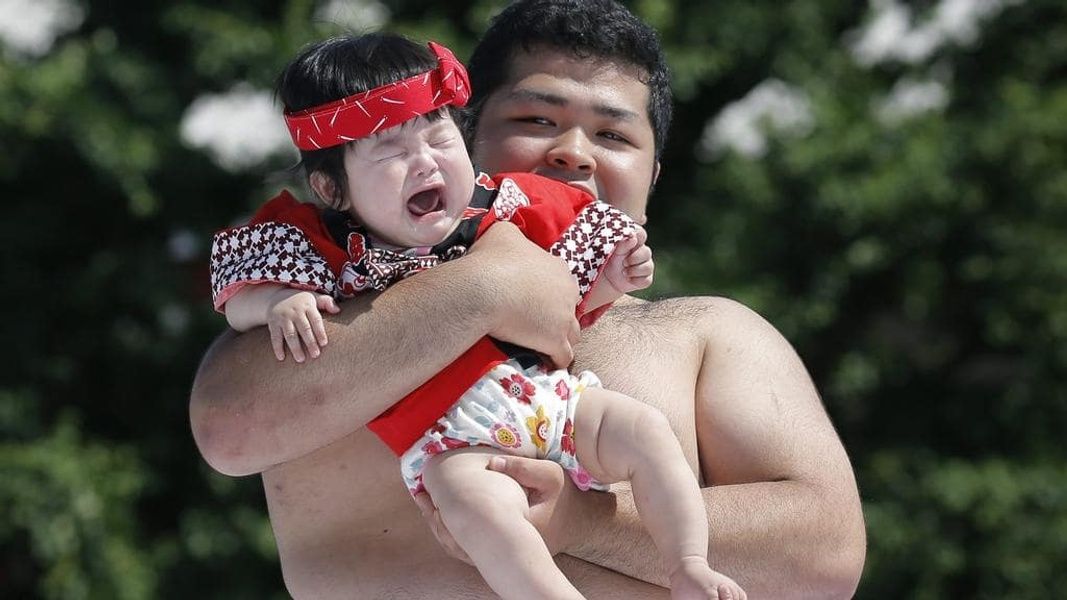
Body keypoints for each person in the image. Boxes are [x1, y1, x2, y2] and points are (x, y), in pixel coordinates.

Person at [189, 0, 866, 598]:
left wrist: (584, 520)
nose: (573, 153)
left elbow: (825, 555)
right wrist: (489, 285)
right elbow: (227, 434)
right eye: (536, 118)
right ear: (467, 133)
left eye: (613, 135)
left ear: (653, 174)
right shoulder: (317, 306)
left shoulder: (706, 334)